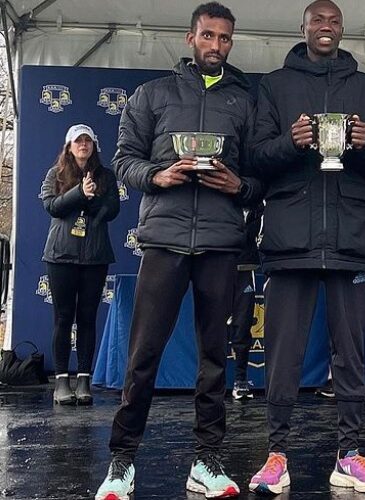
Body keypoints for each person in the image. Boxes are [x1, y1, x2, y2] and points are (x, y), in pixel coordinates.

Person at [95, 3, 260, 499]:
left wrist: (238, 185)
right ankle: (122, 462)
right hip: (163, 240)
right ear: (191, 38)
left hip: (220, 243)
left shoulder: (245, 102)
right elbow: (124, 160)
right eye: (208, 36)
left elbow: (261, 176)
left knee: (214, 357)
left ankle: (206, 460)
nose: (216, 45)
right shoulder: (153, 95)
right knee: (143, 355)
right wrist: (158, 175)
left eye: (224, 38)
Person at [248, 0, 365, 494]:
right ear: (303, 27)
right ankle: (276, 453)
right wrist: (290, 142)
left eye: (334, 21)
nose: (325, 27)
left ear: (343, 30)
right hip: (291, 238)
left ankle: (349, 455)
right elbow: (256, 157)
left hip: (351, 238)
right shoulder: (274, 85)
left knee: (351, 354)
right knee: (283, 353)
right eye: (317, 20)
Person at [41, 124, 120, 406]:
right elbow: (52, 206)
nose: (83, 145)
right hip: (61, 256)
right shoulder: (55, 173)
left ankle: (84, 379)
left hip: (95, 257)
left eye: (88, 140)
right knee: (63, 318)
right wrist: (79, 193)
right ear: (69, 146)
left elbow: (113, 209)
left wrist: (94, 197)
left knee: (87, 317)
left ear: (94, 145)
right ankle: (62, 381)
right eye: (78, 141)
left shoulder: (106, 176)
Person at [228, 202, 264, 401]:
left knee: (242, 326)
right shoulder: (218, 199)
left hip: (245, 268)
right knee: (213, 326)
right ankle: (211, 381)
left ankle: (240, 379)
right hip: (217, 266)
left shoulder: (259, 205)